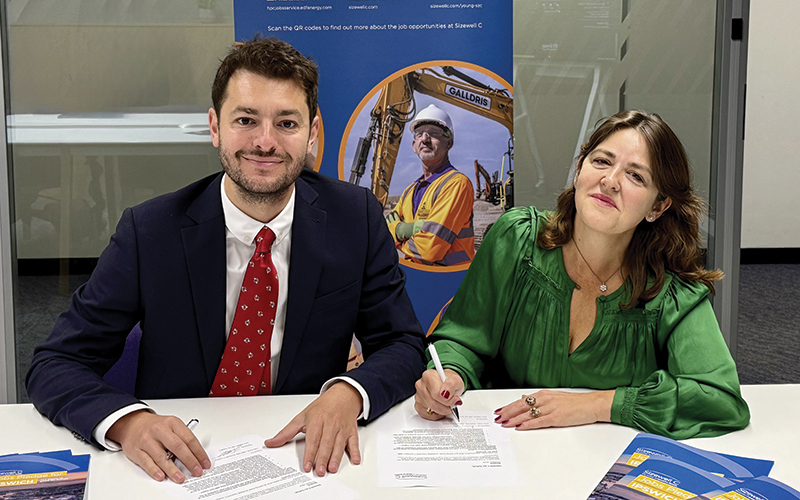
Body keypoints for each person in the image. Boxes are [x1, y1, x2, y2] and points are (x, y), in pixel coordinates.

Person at [26, 36, 426, 483]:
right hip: (180, 464)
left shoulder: (356, 218)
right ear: (215, 127)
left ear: (312, 133)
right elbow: (55, 363)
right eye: (246, 120)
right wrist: (128, 423)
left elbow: (402, 343)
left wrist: (349, 393)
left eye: (287, 123)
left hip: (304, 459)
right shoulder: (151, 231)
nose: (265, 142)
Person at [413, 110, 750, 439]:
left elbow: (719, 399)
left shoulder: (671, 289)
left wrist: (596, 405)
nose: (610, 181)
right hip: (508, 444)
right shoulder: (516, 239)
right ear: (579, 170)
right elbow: (463, 339)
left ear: (658, 206)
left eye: (636, 176)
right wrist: (450, 375)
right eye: (601, 161)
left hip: (606, 460)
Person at [386, 104, 475, 266]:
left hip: (449, 277)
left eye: (433, 133)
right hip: (415, 274)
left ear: (449, 143)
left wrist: (399, 235)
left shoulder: (457, 184)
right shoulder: (409, 191)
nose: (425, 139)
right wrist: (407, 230)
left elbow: (428, 250)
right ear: (414, 146)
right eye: (419, 134)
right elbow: (384, 234)